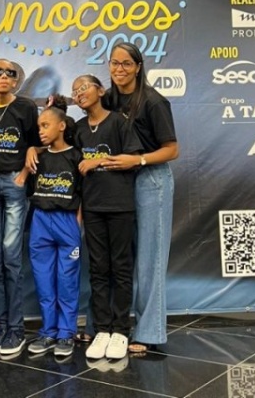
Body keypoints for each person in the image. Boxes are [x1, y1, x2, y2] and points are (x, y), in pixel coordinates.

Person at [104, 42, 178, 354]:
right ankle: (109, 326)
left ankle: (149, 332)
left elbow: (172, 149)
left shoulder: (153, 101)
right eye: (114, 63)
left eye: (126, 64)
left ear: (137, 67)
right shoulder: (109, 100)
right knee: (117, 257)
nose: (119, 69)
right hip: (118, 181)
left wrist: (139, 160)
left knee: (150, 258)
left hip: (151, 180)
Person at [72, 73, 142, 360]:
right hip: (92, 207)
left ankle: (121, 330)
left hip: (120, 206)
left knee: (121, 268)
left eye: (84, 87)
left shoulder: (118, 122)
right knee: (98, 268)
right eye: (75, 91)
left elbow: (132, 160)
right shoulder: (78, 129)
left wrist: (98, 160)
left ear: (101, 91)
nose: (79, 93)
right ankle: (102, 329)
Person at [0, 59, 40, 356]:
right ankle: (1, 326)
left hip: (15, 184)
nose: (4, 76)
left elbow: (36, 144)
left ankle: (16, 330)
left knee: (11, 257)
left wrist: (24, 175)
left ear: (16, 81)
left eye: (10, 73)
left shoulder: (25, 107)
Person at [26, 95, 82, 359]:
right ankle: (48, 332)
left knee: (67, 281)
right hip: (40, 221)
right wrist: (31, 149)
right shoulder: (37, 157)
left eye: (46, 125)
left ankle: (66, 333)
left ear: (61, 126)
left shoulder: (76, 157)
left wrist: (77, 225)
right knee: (43, 280)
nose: (41, 131)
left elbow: (84, 193)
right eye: (39, 126)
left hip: (66, 221)